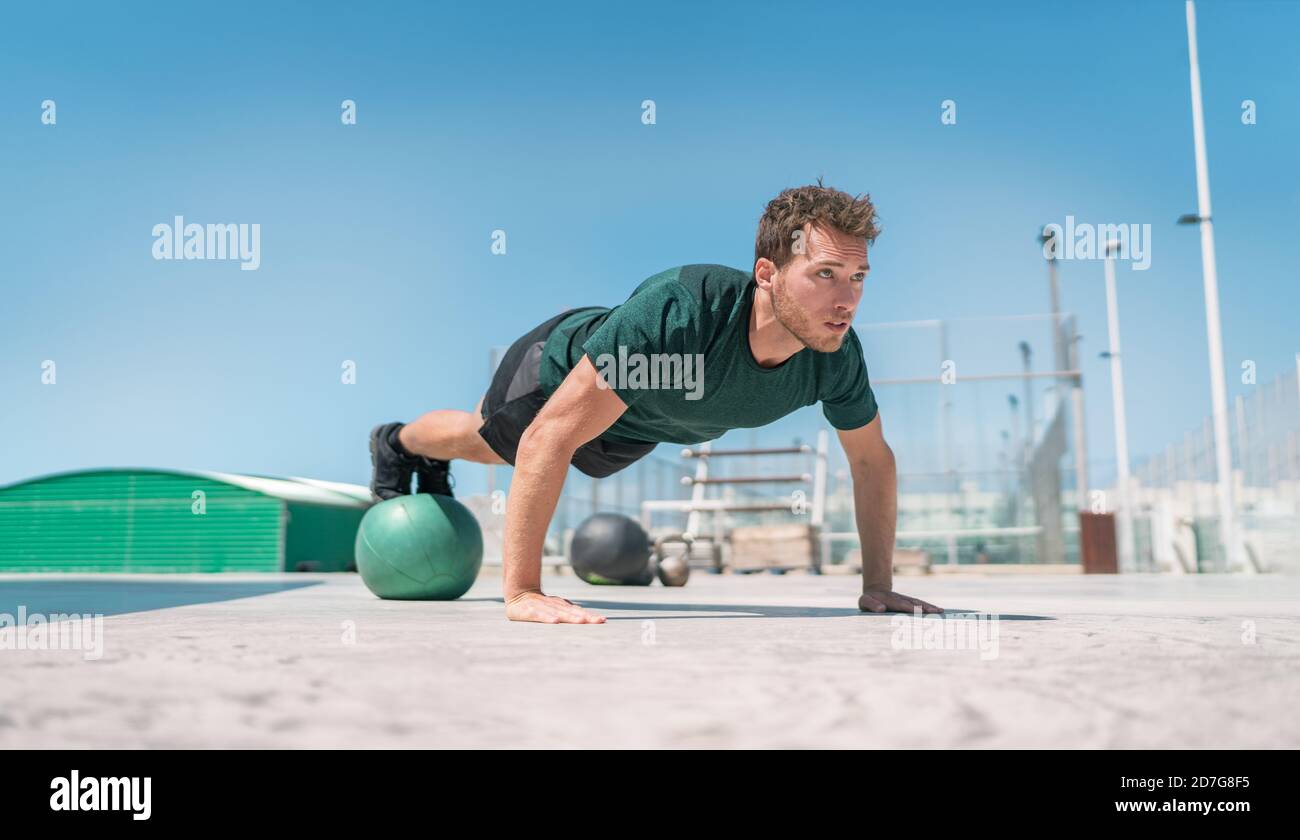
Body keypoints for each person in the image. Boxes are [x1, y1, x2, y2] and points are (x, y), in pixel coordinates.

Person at [370, 182, 943, 623]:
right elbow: (549, 436)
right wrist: (523, 592)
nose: (847, 299)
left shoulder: (835, 355)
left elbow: (872, 460)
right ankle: (398, 443)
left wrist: (878, 585)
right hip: (561, 369)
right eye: (825, 274)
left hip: (643, 422)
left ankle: (416, 449)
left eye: (858, 277)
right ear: (766, 274)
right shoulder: (682, 314)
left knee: (524, 450)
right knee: (488, 445)